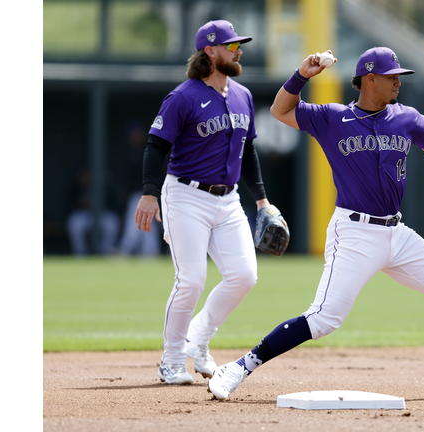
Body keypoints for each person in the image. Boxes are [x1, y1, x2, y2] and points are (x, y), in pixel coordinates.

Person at [207, 47, 424, 399]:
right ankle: (239, 367)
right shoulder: (333, 118)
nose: (397, 82)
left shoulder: (406, 117)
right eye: (392, 76)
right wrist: (302, 75)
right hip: (354, 233)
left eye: (399, 77)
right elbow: (280, 110)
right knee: (323, 319)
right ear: (370, 78)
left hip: (396, 232)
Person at [135, 20, 287, 385]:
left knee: (244, 276)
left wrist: (263, 201)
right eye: (232, 45)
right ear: (210, 51)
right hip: (185, 195)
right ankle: (171, 360)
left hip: (229, 199)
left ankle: (197, 340)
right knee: (191, 279)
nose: (238, 50)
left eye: (239, 44)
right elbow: (157, 146)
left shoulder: (243, 95)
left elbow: (247, 150)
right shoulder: (183, 96)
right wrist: (149, 192)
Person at [117, 120, 162, 257]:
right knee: (144, 223)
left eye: (137, 133)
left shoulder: (149, 149)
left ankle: (126, 249)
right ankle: (149, 251)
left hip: (147, 194)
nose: (135, 136)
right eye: (133, 134)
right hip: (137, 195)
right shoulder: (130, 153)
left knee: (137, 222)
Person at [66, 164, 121, 256]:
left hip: (102, 214)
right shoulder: (76, 187)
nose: (86, 177)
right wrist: (82, 203)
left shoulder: (104, 186)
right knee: (74, 223)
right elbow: (68, 204)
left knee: (112, 222)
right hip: (83, 215)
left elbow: (113, 203)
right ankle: (80, 254)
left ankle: (106, 252)